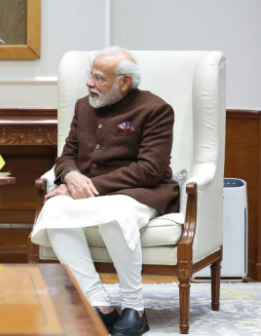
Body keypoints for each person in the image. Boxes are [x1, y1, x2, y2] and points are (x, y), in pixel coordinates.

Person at [31, 47, 179, 336]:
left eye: (99, 78)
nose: (89, 83)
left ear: (124, 81)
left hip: (139, 192)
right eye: (90, 75)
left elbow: (149, 169)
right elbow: (67, 156)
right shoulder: (83, 106)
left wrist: (88, 186)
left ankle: (135, 307)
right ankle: (99, 303)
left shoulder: (156, 109)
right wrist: (71, 176)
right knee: (54, 210)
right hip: (90, 192)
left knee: (114, 214)